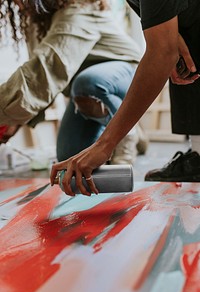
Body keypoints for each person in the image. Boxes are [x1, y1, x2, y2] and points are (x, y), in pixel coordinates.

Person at [49, 0, 200, 196]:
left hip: (118, 70)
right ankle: (198, 154)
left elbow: (162, 53)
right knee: (70, 152)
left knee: (168, 51)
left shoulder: (78, 11)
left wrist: (104, 145)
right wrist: (171, 36)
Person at [0, 0, 148, 165]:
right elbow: (42, 84)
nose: (18, 4)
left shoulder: (79, 7)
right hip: (83, 92)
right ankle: (129, 125)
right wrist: (14, 123)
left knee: (89, 82)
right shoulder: (39, 22)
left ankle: (126, 136)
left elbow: (46, 71)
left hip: (126, 73)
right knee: (69, 156)